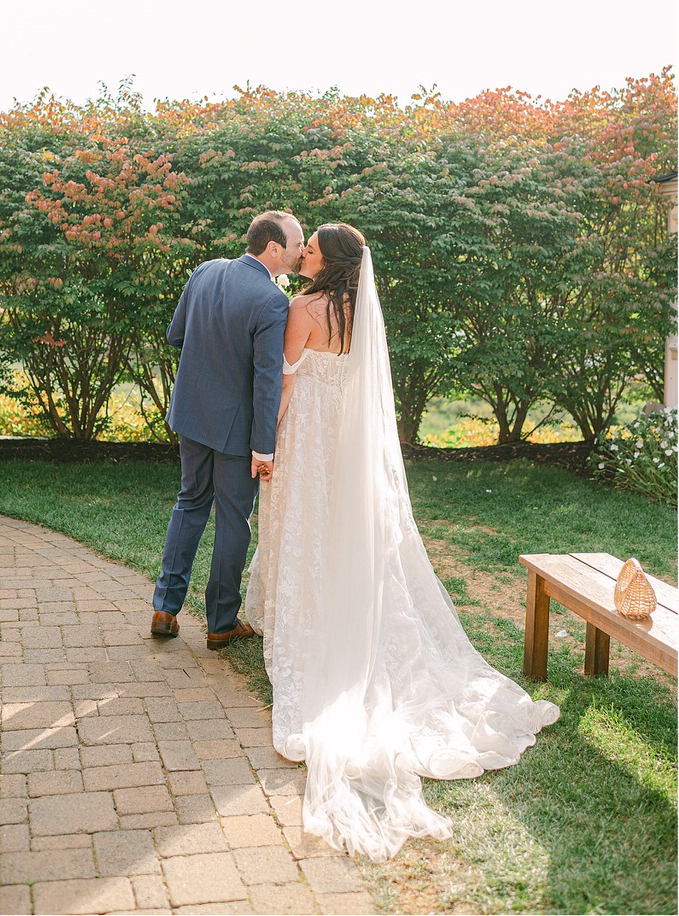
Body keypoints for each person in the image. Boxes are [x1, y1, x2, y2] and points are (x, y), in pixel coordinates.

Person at [245, 222, 559, 862]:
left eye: (309, 249)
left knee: (300, 526)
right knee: (338, 531)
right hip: (350, 449)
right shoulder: (364, 315)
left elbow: (283, 381)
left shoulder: (302, 309)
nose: (301, 254)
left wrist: (266, 445)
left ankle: (299, 619)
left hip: (308, 439)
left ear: (326, 260)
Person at [152, 210, 305, 650]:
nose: (300, 251)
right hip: (237, 431)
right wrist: (264, 446)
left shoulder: (204, 271)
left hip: (191, 415)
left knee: (189, 503)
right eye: (296, 244)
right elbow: (265, 380)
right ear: (273, 247)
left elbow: (175, 335)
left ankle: (165, 608)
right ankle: (220, 623)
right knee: (233, 521)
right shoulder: (272, 300)